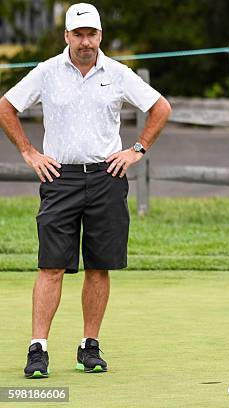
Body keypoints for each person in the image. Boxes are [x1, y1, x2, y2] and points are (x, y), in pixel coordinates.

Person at [0, 3, 171, 378]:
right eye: (77, 34)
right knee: (51, 266)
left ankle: (88, 346)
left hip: (106, 178)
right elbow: (6, 107)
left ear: (100, 36)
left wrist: (136, 149)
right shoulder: (47, 72)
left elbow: (160, 107)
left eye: (91, 34)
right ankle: (38, 348)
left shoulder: (118, 73)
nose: (85, 41)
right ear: (66, 36)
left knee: (99, 266)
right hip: (59, 178)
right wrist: (29, 153)